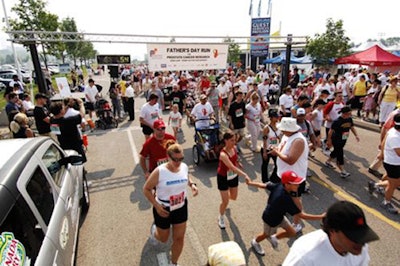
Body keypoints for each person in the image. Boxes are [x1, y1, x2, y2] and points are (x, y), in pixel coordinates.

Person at [143, 143, 198, 266]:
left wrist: (192, 184)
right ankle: (155, 231)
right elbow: (146, 189)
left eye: (181, 159)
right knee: (163, 238)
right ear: (168, 157)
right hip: (163, 208)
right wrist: (157, 206)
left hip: (180, 206)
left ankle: (174, 263)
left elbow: (186, 176)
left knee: (179, 238)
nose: (178, 162)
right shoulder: (160, 171)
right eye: (175, 159)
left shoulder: (184, 167)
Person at [248, 170, 325, 256]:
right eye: (295, 183)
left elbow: (264, 185)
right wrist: (320, 217)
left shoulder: (280, 185)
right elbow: (301, 215)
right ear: (287, 185)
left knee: (292, 232)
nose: (298, 184)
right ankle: (255, 242)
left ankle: (274, 237)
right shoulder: (285, 198)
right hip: (270, 220)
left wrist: (250, 183)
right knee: (265, 235)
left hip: (280, 217)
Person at [283, 200, 379, 266]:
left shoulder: (360, 246)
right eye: (353, 236)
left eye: (363, 235)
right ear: (332, 230)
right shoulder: (305, 257)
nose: (361, 242)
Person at [270, 117, 309, 233]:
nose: (281, 131)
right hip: (285, 176)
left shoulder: (298, 141)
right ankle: (289, 215)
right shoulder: (287, 136)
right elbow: (283, 149)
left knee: (296, 201)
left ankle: (297, 224)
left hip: (294, 178)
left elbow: (291, 159)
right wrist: (277, 149)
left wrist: (277, 153)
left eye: (283, 129)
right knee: (288, 198)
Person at [216, 131, 251, 229]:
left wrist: (238, 162)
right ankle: (221, 216)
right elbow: (232, 167)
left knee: (234, 197)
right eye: (231, 140)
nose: (234, 143)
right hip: (223, 177)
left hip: (233, 176)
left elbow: (235, 159)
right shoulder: (223, 154)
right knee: (225, 201)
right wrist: (245, 175)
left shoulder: (234, 148)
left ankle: (225, 201)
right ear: (225, 140)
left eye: (235, 140)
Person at [369, 113, 400, 214]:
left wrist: (381, 153)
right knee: (392, 185)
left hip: (393, 162)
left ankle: (376, 185)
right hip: (393, 164)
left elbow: (383, 143)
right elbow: (399, 153)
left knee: (395, 182)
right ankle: (386, 202)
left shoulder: (392, 130)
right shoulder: (395, 137)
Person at [325, 106, 360, 178]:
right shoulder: (337, 121)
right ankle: (343, 171)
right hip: (336, 139)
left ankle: (328, 161)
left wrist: (356, 135)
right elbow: (330, 132)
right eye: (349, 114)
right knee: (340, 154)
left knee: (336, 151)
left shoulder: (349, 119)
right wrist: (329, 140)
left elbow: (352, 127)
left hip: (344, 138)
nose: (350, 115)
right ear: (344, 114)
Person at [261, 109, 281, 183]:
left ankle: (273, 178)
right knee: (265, 164)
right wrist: (264, 152)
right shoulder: (266, 128)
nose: (277, 118)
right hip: (267, 149)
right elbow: (264, 140)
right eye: (275, 117)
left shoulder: (278, 126)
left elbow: (279, 137)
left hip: (275, 149)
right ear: (271, 118)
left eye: (277, 117)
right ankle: (265, 180)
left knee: (278, 164)